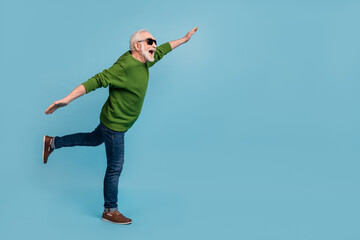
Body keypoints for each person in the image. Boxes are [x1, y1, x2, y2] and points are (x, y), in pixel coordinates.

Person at [43, 27, 198, 225]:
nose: (155, 45)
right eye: (150, 42)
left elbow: (165, 49)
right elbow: (96, 81)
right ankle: (110, 210)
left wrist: (184, 40)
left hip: (112, 120)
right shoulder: (124, 66)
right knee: (115, 167)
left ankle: (52, 142)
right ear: (137, 45)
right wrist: (66, 99)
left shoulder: (144, 61)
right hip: (115, 125)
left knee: (92, 139)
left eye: (154, 41)